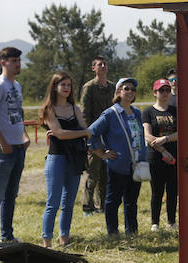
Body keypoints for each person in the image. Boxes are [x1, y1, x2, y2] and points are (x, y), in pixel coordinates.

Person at [0, 47, 30, 243]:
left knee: (11, 195)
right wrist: (3, 142)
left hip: (18, 147)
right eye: (13, 61)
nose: (17, 64)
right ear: (3, 62)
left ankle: (7, 235)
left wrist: (24, 136)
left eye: (19, 60)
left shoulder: (16, 85)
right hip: (1, 149)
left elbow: (17, 114)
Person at [88, 78, 147, 236]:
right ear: (118, 92)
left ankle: (132, 232)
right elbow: (91, 133)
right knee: (113, 200)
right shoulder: (110, 114)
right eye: (126, 88)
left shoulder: (136, 113)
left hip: (136, 164)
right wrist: (101, 153)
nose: (130, 92)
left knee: (132, 201)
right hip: (118, 164)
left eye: (133, 89)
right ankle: (113, 233)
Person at [39, 72, 89, 247]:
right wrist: (82, 133)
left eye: (69, 85)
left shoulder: (75, 109)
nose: (67, 88)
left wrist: (79, 133)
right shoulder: (49, 109)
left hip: (75, 159)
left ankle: (64, 240)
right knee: (53, 203)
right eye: (63, 85)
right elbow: (60, 134)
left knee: (68, 203)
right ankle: (47, 242)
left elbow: (86, 130)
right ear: (54, 87)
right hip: (57, 159)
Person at [80, 56, 114, 216]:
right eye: (100, 64)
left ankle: (103, 205)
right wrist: (88, 136)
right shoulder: (89, 87)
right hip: (94, 133)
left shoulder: (112, 86)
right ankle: (88, 206)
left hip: (110, 134)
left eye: (105, 64)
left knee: (106, 173)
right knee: (93, 172)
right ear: (93, 68)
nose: (103, 66)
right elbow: (84, 113)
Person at [142, 78, 178, 230]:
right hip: (156, 156)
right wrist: (163, 150)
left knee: (172, 190)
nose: (165, 93)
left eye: (167, 90)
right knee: (157, 191)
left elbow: (181, 133)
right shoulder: (148, 112)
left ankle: (171, 221)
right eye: (161, 90)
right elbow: (147, 136)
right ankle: (155, 223)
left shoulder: (175, 111)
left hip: (174, 156)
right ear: (154, 92)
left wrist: (165, 139)